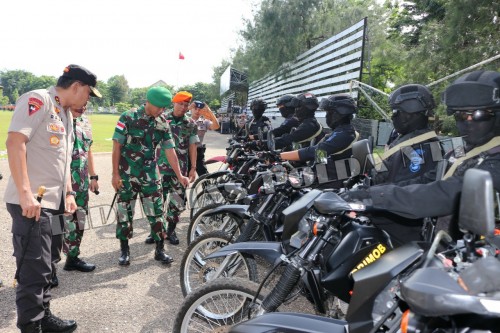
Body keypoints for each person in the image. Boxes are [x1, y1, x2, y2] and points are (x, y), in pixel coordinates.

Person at [342, 70, 500, 242]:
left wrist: (376, 197)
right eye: (460, 115)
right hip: (436, 241)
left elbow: (446, 194)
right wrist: (369, 194)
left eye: (478, 114)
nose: (467, 122)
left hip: (467, 257)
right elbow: (428, 179)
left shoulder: (495, 160)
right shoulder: (462, 150)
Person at [5, 64, 100, 333]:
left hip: (56, 205)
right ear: (77, 87)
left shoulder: (66, 114)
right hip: (33, 205)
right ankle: (31, 326)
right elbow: (15, 143)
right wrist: (25, 194)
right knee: (33, 270)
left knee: (50, 263)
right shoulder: (38, 101)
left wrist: (69, 193)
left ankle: (44, 315)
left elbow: (63, 160)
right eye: (88, 94)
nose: (88, 100)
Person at [112, 86, 189, 266]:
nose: (162, 111)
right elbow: (117, 146)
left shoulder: (163, 121)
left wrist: (180, 175)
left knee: (156, 212)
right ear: (148, 102)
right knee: (125, 212)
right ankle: (124, 250)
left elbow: (170, 151)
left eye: (164, 108)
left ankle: (159, 249)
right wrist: (115, 174)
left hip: (151, 175)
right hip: (127, 175)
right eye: (158, 107)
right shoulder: (128, 117)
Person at [151, 91, 199, 246]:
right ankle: (157, 232)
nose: (183, 108)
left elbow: (192, 146)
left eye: (186, 105)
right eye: (180, 104)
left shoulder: (190, 123)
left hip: (181, 171)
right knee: (157, 202)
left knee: (177, 203)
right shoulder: (161, 119)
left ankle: (170, 231)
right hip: (161, 168)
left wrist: (193, 167)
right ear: (174, 103)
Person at [280, 94, 359, 188]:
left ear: (340, 113)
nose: (327, 116)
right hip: (325, 175)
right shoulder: (338, 132)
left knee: (280, 184)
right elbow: (321, 157)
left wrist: (282, 156)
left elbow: (317, 150)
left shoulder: (345, 134)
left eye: (329, 112)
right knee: (279, 182)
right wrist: (301, 163)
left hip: (334, 181)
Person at [372, 84, 441, 186]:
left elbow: (401, 190)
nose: (392, 117)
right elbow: (392, 168)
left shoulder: (423, 148)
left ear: (410, 114)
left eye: (395, 112)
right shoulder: (410, 140)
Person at [62, 105, 98, 272]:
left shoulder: (85, 122)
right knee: (59, 224)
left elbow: (88, 150)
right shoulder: (58, 118)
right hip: (61, 185)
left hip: (81, 183)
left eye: (85, 105)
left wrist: (93, 176)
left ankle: (72, 258)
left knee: (79, 221)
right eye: (79, 103)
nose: (82, 107)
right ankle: (49, 269)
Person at [190, 100, 220, 176]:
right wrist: (188, 107)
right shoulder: (184, 120)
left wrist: (209, 111)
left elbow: (216, 126)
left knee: (204, 176)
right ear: (191, 109)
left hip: (198, 153)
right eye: (195, 108)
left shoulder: (204, 122)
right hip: (185, 152)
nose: (197, 111)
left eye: (200, 109)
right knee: (183, 178)